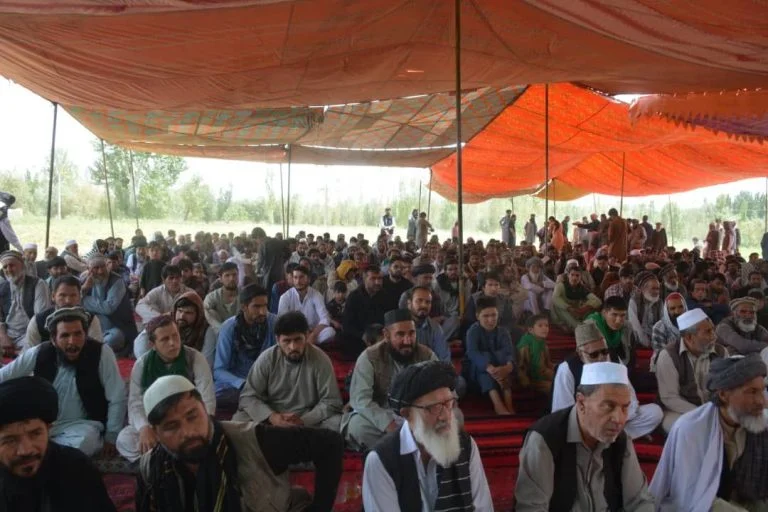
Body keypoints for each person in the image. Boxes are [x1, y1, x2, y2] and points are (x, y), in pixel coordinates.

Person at [135, 375, 344, 512]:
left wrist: (320, 508)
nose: (188, 432)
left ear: (205, 410)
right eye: (171, 426)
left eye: (192, 416)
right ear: (156, 433)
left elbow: (330, 443)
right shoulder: (151, 468)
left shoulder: (253, 440)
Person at [516, 361, 655, 510]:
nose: (619, 419)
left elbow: (639, 501)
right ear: (581, 403)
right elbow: (531, 508)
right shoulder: (545, 439)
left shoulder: (621, 440)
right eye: (608, 406)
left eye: (624, 408)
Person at [362, 361, 492, 511]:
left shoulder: (466, 446)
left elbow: (483, 508)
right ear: (407, 414)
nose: (445, 416)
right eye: (434, 408)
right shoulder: (381, 460)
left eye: (448, 404)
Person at [0, 307, 125, 457]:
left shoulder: (102, 353)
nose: (72, 341)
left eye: (78, 334)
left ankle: (44, 454)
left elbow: (117, 396)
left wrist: (112, 435)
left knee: (85, 443)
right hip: (42, 424)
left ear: (85, 335)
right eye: (65, 335)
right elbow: (4, 376)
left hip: (82, 426)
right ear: (54, 340)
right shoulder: (40, 352)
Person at [650, 354, 768, 511]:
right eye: (752, 392)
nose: (762, 401)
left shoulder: (761, 424)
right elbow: (691, 497)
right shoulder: (691, 430)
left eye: (762, 391)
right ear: (723, 395)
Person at [0, 376, 116, 511]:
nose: (26, 450)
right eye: (10, 440)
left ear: (48, 429)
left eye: (35, 434)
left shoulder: (76, 467)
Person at [117, 315, 215, 462]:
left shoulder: (195, 358)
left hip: (187, 420)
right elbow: (135, 403)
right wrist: (144, 428)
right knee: (124, 439)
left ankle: (160, 458)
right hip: (157, 423)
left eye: (175, 336)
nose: (173, 343)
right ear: (152, 344)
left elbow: (207, 399)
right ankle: (172, 458)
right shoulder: (142, 364)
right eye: (165, 339)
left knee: (212, 435)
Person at [343, 309, 437, 452]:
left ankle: (396, 447)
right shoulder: (369, 357)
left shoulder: (427, 355)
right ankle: (407, 448)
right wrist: (388, 424)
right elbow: (361, 400)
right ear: (386, 335)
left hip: (417, 415)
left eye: (412, 333)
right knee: (357, 427)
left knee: (454, 417)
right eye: (400, 334)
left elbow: (442, 390)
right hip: (381, 414)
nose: (407, 341)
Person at [234, 311, 343, 431]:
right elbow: (248, 397)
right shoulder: (267, 359)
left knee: (336, 423)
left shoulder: (320, 359)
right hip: (271, 415)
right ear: (277, 340)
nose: (293, 347)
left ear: (306, 336)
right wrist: (272, 417)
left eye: (298, 340)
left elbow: (331, 401)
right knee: (239, 421)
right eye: (287, 341)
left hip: (308, 417)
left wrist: (303, 420)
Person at [552, 323, 662, 439]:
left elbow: (630, 396)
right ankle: (613, 438)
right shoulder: (566, 369)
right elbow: (562, 411)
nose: (601, 358)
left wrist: (616, 415)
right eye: (594, 354)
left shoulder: (613, 359)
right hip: (587, 421)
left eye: (604, 351)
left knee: (655, 412)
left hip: (616, 416)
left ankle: (608, 437)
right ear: (580, 354)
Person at [655, 308, 727, 433]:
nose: (714, 336)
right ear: (689, 337)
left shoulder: (721, 352)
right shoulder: (668, 355)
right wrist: (702, 413)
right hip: (679, 411)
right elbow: (670, 398)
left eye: (713, 330)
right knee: (687, 428)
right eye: (708, 332)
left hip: (714, 409)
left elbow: (727, 387)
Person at [214, 284, 276, 410]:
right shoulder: (229, 328)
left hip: (268, 381)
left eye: (265, 306)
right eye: (256, 307)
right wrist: (242, 383)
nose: (263, 312)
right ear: (244, 307)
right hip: (239, 382)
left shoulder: (274, 323)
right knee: (216, 395)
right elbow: (219, 370)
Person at [463, 296, 516, 415]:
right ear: (478, 316)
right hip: (478, 371)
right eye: (486, 316)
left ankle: (509, 404)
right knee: (483, 364)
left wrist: (508, 366)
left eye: (494, 315)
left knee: (504, 360)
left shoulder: (503, 331)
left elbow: (509, 351)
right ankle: (498, 404)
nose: (491, 320)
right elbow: (472, 352)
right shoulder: (473, 331)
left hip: (500, 367)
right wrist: (489, 367)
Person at [134, 291, 217, 365]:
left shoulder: (206, 330)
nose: (182, 316)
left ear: (198, 314)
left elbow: (206, 362)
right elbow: (141, 342)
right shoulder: (168, 322)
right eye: (180, 311)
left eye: (188, 313)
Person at [24, 274, 103, 349]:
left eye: (73, 295)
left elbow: (97, 351)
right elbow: (30, 353)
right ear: (53, 296)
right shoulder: (38, 322)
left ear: (80, 297)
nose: (68, 301)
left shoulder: (91, 320)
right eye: (62, 295)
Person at [81, 254, 139, 353]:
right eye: (96, 268)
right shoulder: (84, 280)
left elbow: (108, 308)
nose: (100, 271)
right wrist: (84, 289)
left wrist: (85, 300)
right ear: (88, 269)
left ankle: (94, 348)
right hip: (93, 326)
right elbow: (74, 301)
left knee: (115, 338)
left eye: (103, 266)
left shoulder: (117, 281)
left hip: (116, 327)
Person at [278, 265, 335, 344]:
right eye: (295, 277)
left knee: (330, 332)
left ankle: (304, 343)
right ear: (292, 279)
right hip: (294, 333)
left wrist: (313, 334)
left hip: (313, 331)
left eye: (301, 277)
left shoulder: (316, 295)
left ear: (308, 279)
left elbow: (325, 318)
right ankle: (305, 343)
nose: (298, 281)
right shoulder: (285, 297)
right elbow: (282, 321)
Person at [342, 265, 389, 358]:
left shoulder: (385, 295)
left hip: (380, 337)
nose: (377, 282)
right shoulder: (354, 297)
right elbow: (347, 324)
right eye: (373, 278)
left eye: (380, 279)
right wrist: (363, 335)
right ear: (364, 279)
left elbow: (388, 319)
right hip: (358, 337)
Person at [551, 266, 602, 332]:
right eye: (572, 275)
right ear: (568, 275)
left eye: (577, 275)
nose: (574, 278)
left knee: (593, 313)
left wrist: (585, 308)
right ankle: (562, 324)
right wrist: (569, 308)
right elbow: (555, 298)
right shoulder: (561, 285)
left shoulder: (582, 288)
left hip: (575, 311)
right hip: (562, 310)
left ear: (581, 277)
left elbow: (598, 301)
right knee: (578, 327)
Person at [585, 296, 633, 366]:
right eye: (614, 315)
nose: (618, 321)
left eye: (622, 315)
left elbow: (629, 355)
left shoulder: (627, 327)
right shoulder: (590, 325)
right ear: (604, 313)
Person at [516, 313, 554, 394]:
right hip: (531, 376)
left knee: (562, 379)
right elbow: (521, 366)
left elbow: (548, 362)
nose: (545, 328)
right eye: (540, 326)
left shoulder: (542, 342)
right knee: (553, 387)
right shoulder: (525, 344)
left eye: (546, 325)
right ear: (530, 330)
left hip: (543, 371)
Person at [650, 292, 688, 371]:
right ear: (666, 311)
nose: (677, 311)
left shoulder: (692, 324)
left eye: (680, 307)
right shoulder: (659, 327)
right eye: (672, 308)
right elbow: (662, 354)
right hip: (664, 366)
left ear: (685, 307)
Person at [628, 271, 663, 348]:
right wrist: (647, 343)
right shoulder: (634, 301)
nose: (656, 292)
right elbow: (635, 326)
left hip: (655, 338)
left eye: (658, 289)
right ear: (644, 289)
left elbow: (662, 323)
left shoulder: (659, 302)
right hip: (638, 340)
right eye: (653, 288)